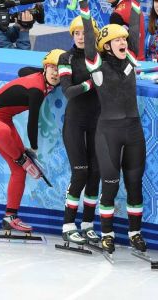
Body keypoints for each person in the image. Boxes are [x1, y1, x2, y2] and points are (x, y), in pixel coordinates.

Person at [78, 0, 147, 256]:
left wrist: (137, 6)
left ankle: (134, 233)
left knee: (134, 183)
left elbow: (138, 32)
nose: (123, 43)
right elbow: (88, 36)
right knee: (111, 185)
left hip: (133, 131)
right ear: (106, 45)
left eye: (124, 40)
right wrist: (85, 10)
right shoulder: (97, 66)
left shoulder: (129, 60)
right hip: (108, 133)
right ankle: (107, 234)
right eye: (117, 40)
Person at [0, 48, 65, 235]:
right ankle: (21, 159)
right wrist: (28, 151)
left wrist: (23, 157)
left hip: (5, 120)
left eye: (60, 70)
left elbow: (22, 71)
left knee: (19, 171)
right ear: (45, 68)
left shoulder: (44, 77)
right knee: (11, 146)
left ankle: (10, 217)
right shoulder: (37, 90)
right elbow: (33, 122)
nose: (56, 74)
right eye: (52, 69)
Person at [58, 16, 101, 246]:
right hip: (75, 123)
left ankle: (87, 224)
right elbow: (68, 91)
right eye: (77, 33)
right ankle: (67, 225)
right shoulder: (67, 58)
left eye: (85, 32)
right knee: (81, 174)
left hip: (97, 122)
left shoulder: (100, 58)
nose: (82, 37)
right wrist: (91, 84)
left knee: (96, 173)